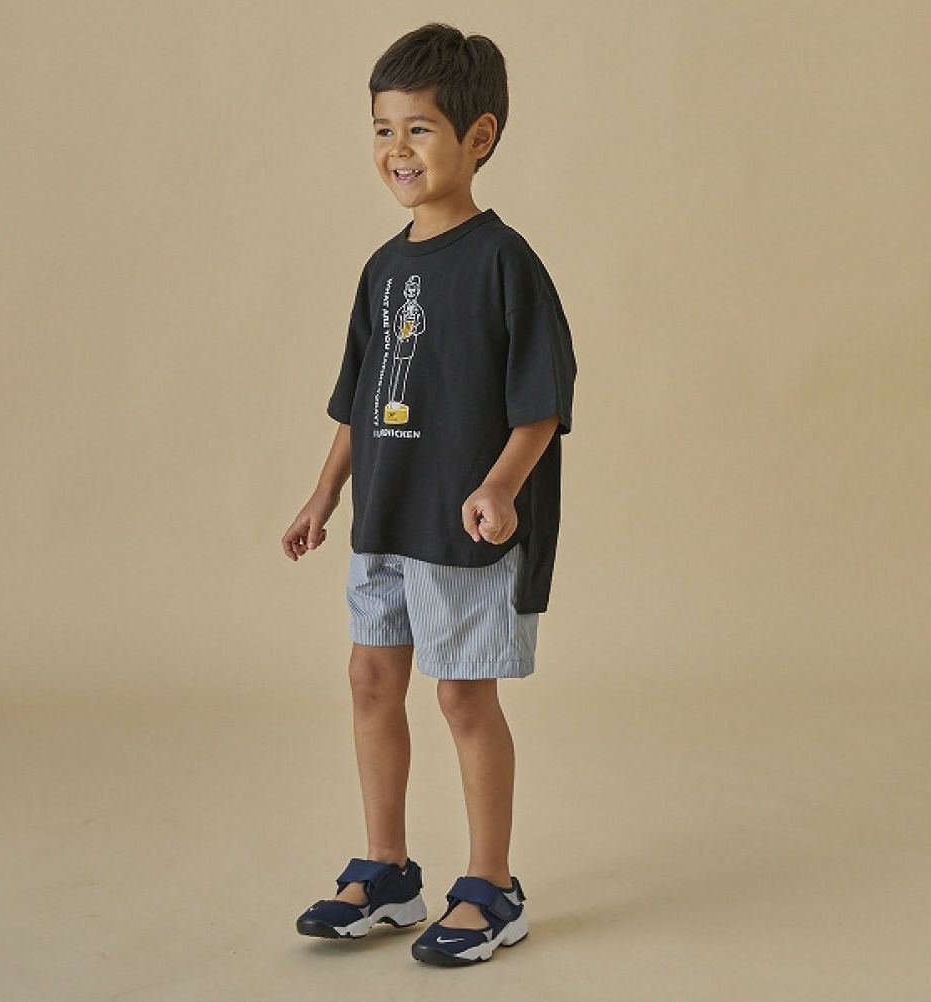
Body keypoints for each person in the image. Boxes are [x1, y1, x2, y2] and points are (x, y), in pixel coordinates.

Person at [282, 22, 577, 967]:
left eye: (419, 128)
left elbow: (543, 403)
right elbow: (359, 401)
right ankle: (387, 870)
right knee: (371, 680)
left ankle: (492, 886)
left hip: (462, 530)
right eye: (382, 129)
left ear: (478, 137)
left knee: (460, 696)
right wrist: (324, 495)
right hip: (385, 522)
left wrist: (499, 486)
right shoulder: (383, 269)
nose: (397, 149)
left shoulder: (504, 262)